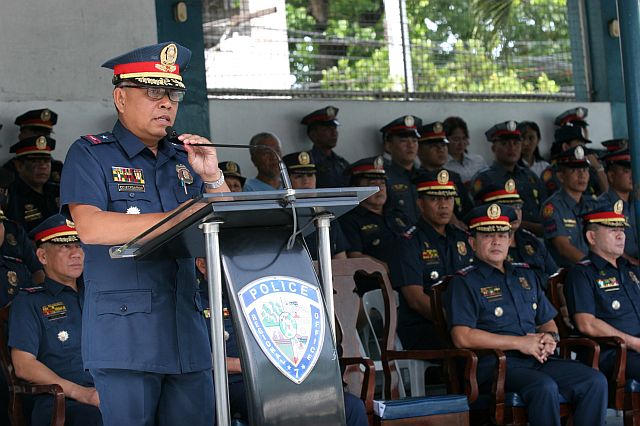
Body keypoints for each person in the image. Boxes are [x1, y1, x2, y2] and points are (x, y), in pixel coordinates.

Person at [59, 41, 229, 426]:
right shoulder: (91, 154)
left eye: (173, 94)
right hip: (126, 338)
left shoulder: (183, 158)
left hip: (186, 333)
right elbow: (91, 225)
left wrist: (213, 178)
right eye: (154, 92)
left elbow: (222, 232)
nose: (166, 103)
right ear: (121, 98)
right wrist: (178, 218)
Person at [445, 203, 608, 426]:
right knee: (544, 387)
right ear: (472, 242)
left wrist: (549, 339)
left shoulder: (525, 276)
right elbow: (462, 336)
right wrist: (520, 343)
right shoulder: (464, 282)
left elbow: (547, 321)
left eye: (502, 235)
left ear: (509, 240)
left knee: (594, 380)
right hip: (495, 366)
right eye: (487, 235)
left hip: (535, 359)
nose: (496, 241)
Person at [8, 214, 102, 426]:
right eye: (65, 247)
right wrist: (81, 393)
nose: (76, 253)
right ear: (42, 256)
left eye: (79, 246)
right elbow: (24, 365)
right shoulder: (29, 302)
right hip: (63, 401)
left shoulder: (100, 296)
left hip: (114, 391)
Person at [388, 169, 472, 350]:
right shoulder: (408, 243)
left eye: (448, 198)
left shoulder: (463, 237)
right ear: (420, 203)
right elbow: (416, 300)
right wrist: (455, 321)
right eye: (435, 199)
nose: (443, 205)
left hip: (465, 322)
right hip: (426, 326)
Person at [565, 203, 640, 382]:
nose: (621, 235)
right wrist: (634, 343)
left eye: (621, 229)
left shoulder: (629, 269)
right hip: (614, 353)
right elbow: (587, 324)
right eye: (612, 230)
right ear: (592, 236)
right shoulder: (582, 273)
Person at [471, 121, 546, 236]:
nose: (512, 148)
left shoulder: (530, 176)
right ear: (493, 148)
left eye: (516, 143)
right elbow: (476, 217)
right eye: (505, 143)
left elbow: (544, 208)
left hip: (537, 241)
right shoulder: (484, 179)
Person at [475, 180, 558, 284]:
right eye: (508, 208)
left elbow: (554, 276)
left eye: (518, 207)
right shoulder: (487, 246)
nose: (515, 213)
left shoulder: (531, 241)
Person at [339, 156, 414, 268]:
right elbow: (355, 257)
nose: (380, 188)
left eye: (383, 183)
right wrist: (390, 270)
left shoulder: (398, 215)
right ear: (356, 188)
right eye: (373, 184)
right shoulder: (349, 221)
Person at [541, 146, 599, 268]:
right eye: (575, 171)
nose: (582, 175)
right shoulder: (552, 207)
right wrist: (594, 267)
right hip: (569, 275)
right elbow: (563, 247)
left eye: (585, 169)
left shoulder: (592, 204)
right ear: (561, 177)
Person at [282, 151, 348, 259]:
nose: (306, 181)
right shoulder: (279, 215)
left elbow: (341, 258)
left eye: (310, 175)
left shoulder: (326, 213)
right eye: (299, 176)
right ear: (285, 181)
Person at [417, 121, 473, 226]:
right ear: (419, 150)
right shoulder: (416, 179)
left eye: (443, 145)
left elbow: (468, 210)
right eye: (434, 146)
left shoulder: (453, 177)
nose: (441, 150)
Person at [5, 135, 60, 233]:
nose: (43, 166)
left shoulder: (58, 191)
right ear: (19, 165)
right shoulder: (10, 195)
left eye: (47, 161)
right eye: (35, 161)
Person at [541, 125, 607, 196]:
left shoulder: (587, 170)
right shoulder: (553, 174)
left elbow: (608, 197)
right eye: (580, 147)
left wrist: (598, 167)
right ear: (565, 147)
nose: (584, 152)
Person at [598, 148, 638, 261]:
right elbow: (605, 248)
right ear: (611, 176)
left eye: (633, 170)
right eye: (626, 171)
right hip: (619, 268)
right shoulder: (602, 206)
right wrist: (632, 263)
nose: (632, 176)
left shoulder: (636, 202)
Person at [381, 115, 422, 224]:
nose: (411, 146)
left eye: (414, 141)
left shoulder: (424, 175)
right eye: (403, 141)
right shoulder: (382, 178)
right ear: (388, 146)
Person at [301, 105, 350, 188]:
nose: (334, 133)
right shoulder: (306, 162)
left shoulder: (342, 163)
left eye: (335, 128)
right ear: (313, 135)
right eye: (327, 129)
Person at [443, 116, 488, 184]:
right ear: (445, 140)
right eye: (456, 139)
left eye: (464, 138)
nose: (461, 143)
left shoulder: (478, 160)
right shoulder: (442, 164)